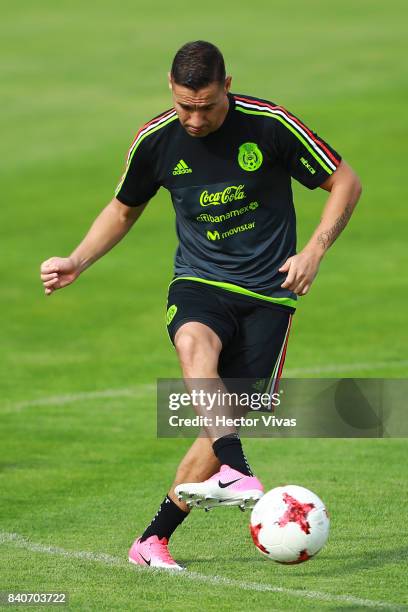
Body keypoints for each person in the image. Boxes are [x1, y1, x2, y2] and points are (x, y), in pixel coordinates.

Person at [40, 41, 362, 570]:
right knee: (194, 342)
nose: (193, 118)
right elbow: (123, 210)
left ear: (227, 86)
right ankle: (237, 468)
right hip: (200, 280)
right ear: (172, 89)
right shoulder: (157, 139)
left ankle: (152, 541)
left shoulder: (270, 125)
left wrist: (315, 251)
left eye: (206, 106)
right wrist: (78, 260)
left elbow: (344, 181)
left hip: (268, 295)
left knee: (220, 425)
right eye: (185, 105)